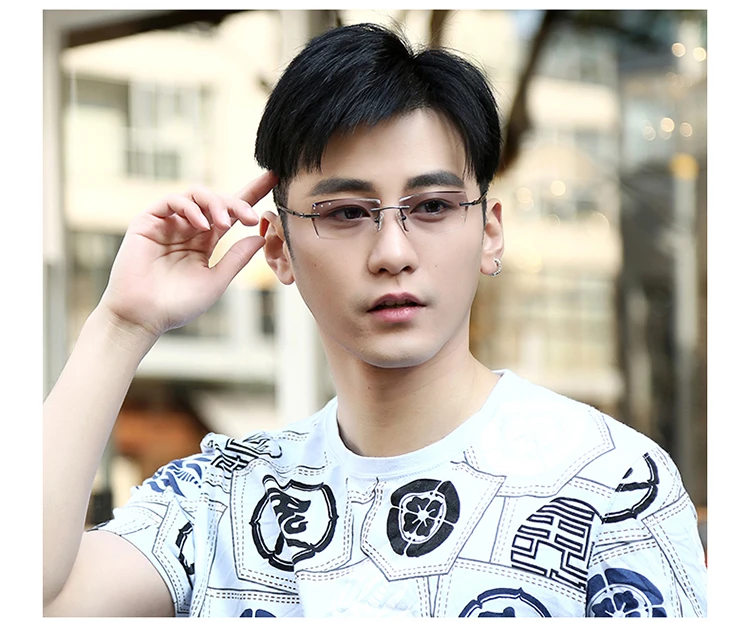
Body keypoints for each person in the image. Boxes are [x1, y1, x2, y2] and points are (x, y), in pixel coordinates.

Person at [43, 23, 707, 617]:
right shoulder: (223, 496)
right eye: (345, 213)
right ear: (278, 248)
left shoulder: (610, 483)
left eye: (433, 206)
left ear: (489, 232)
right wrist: (121, 325)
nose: (393, 252)